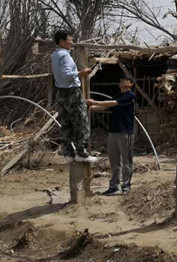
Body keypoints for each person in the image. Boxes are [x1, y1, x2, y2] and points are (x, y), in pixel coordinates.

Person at [51, 30, 97, 163]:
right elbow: (67, 75)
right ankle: (82, 153)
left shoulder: (55, 55)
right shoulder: (65, 56)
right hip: (71, 91)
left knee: (66, 123)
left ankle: (68, 153)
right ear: (62, 41)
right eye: (70, 40)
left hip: (60, 91)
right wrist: (81, 73)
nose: (72, 43)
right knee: (80, 121)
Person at [87, 76, 136, 195]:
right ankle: (114, 186)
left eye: (124, 80)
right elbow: (106, 106)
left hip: (125, 132)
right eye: (120, 80)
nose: (121, 81)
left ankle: (126, 185)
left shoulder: (130, 96)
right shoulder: (118, 95)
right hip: (113, 132)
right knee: (114, 161)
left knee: (126, 161)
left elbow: (113, 103)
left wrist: (95, 102)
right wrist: (90, 107)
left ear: (130, 84)